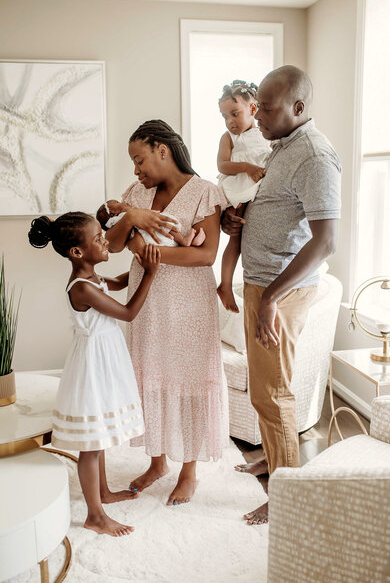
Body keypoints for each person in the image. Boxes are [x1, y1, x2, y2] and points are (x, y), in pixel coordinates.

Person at [222, 65, 341, 525]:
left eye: (266, 108)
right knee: (263, 391)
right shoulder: (281, 148)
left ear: (298, 107)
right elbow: (280, 208)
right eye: (257, 106)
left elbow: (325, 239)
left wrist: (270, 298)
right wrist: (242, 221)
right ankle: (273, 460)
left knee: (274, 393)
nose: (258, 115)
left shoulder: (313, 154)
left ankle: (288, 497)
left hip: (280, 290)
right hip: (262, 283)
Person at [106, 119, 228, 506]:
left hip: (189, 305)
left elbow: (206, 255)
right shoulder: (135, 195)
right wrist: (133, 220)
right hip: (147, 304)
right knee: (151, 377)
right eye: (133, 163)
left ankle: (188, 471)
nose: (136, 170)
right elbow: (110, 240)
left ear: (163, 149)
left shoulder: (205, 192)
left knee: (189, 380)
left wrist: (146, 251)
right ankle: (157, 462)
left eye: (140, 159)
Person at [28, 212, 160, 536]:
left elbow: (115, 283)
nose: (106, 242)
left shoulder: (94, 278)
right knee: (91, 444)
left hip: (105, 359)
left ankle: (102, 493)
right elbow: (128, 313)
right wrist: (151, 275)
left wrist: (139, 261)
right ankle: (94, 516)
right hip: (92, 367)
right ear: (77, 252)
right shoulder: (82, 288)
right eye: (99, 238)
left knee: (98, 436)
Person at [216, 80, 270, 313]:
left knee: (248, 236)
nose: (229, 121)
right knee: (234, 239)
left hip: (260, 190)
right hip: (238, 187)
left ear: (253, 109)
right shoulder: (228, 138)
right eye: (224, 116)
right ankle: (225, 285)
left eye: (234, 114)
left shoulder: (266, 134)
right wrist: (247, 167)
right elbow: (222, 165)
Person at [96, 199, 206, 247]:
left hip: (151, 238)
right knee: (165, 224)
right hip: (148, 235)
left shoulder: (118, 219)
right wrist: (132, 214)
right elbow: (112, 242)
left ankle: (189, 241)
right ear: (112, 212)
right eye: (118, 202)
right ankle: (184, 240)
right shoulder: (117, 220)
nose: (123, 202)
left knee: (164, 224)